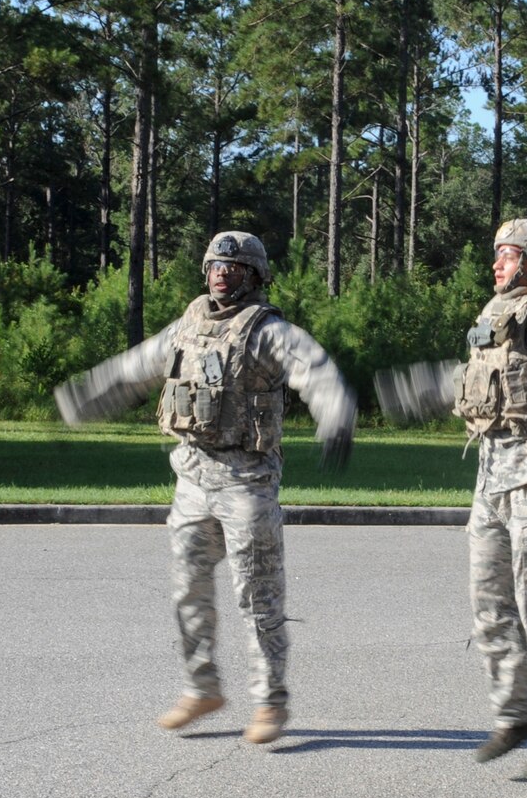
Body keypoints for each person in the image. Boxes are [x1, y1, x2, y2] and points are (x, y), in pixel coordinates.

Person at [54, 232, 355, 745]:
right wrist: (84, 398)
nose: (222, 273)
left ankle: (270, 703)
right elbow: (136, 368)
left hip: (247, 484)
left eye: (234, 268)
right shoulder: (188, 325)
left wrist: (336, 418)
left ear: (255, 276)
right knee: (188, 589)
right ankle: (202, 688)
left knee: (257, 598)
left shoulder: (268, 331)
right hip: (192, 478)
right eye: (216, 264)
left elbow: (317, 371)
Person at [375, 219, 527, 781]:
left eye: (506, 254)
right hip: (491, 480)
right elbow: (475, 377)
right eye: (497, 254)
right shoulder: (495, 317)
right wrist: (420, 388)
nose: (496, 263)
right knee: (489, 606)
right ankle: (517, 711)